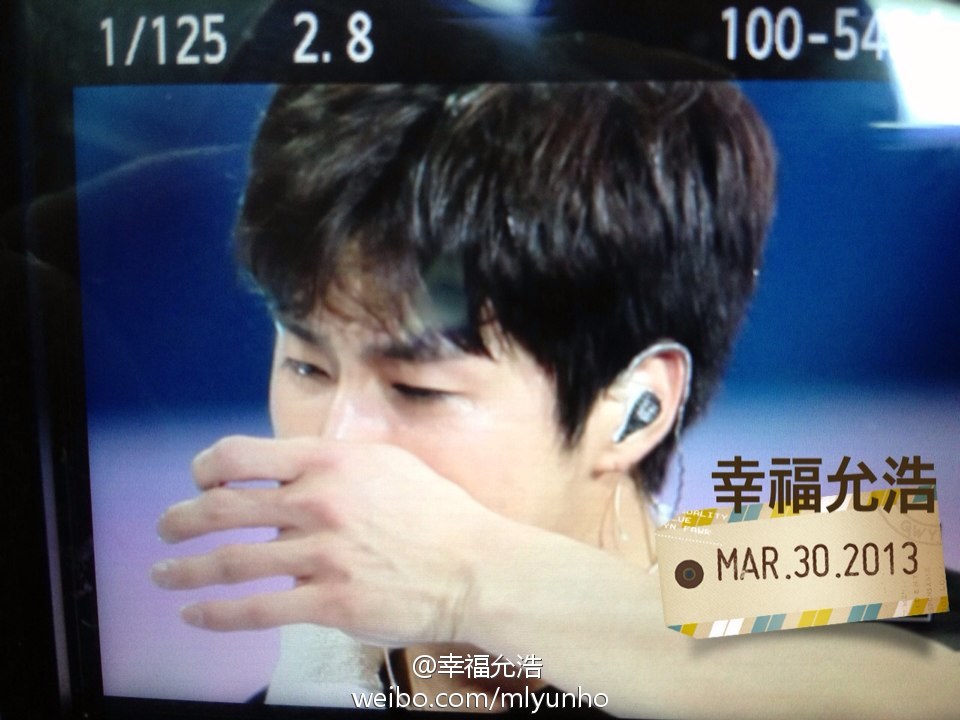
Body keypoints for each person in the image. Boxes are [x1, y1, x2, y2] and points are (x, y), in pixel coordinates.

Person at [151, 82, 959, 717]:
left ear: (636, 408)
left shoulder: (826, 568)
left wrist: (466, 583)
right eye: (307, 367)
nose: (333, 447)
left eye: (417, 389)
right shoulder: (308, 683)